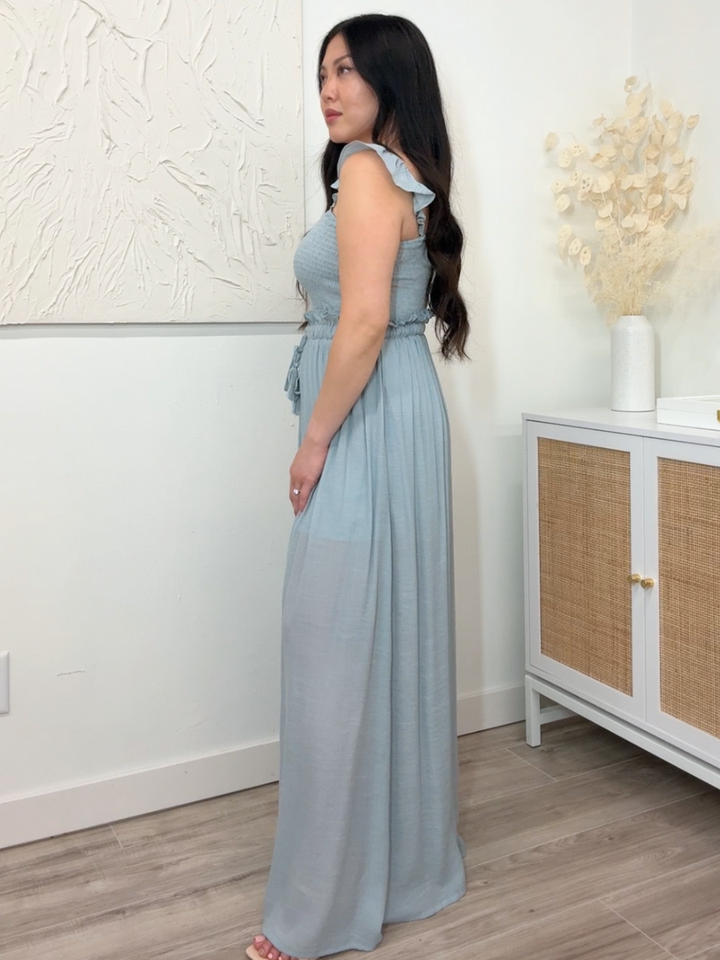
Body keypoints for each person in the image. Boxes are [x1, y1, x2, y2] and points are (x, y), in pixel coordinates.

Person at [246, 13, 470, 960]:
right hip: (400, 409)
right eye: (321, 72)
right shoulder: (401, 169)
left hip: (368, 417)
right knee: (384, 638)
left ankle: (324, 907)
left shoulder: (368, 170)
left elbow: (367, 320)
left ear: (390, 78)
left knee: (333, 650)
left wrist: (314, 442)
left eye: (346, 71)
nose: (328, 89)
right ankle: (403, 869)